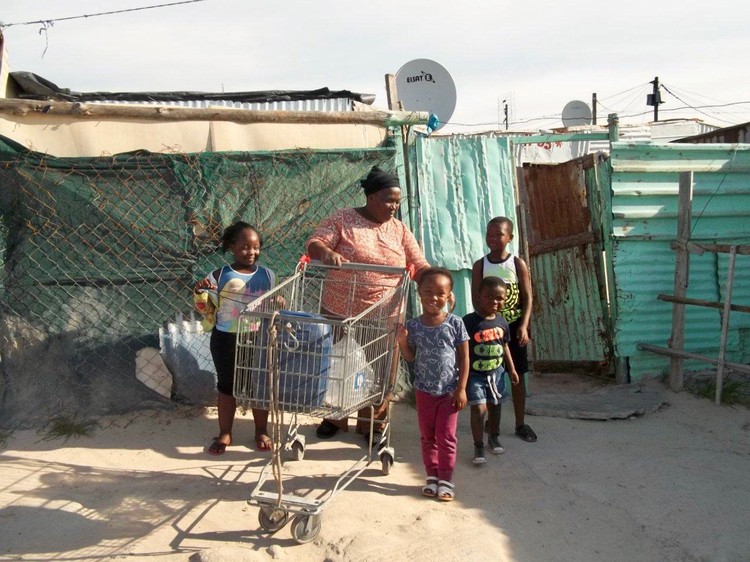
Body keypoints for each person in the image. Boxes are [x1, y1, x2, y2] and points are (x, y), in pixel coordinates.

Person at [306, 165, 430, 440]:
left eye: (398, 201)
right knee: (339, 365)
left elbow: (418, 263)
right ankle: (335, 418)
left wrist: (431, 280)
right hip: (340, 309)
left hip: (384, 312)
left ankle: (372, 424)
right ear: (371, 197)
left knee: (381, 370)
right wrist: (326, 252)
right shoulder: (342, 219)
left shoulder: (399, 229)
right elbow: (315, 243)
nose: (394, 207)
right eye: (389, 200)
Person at [194, 221, 276, 455]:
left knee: (259, 386)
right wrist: (201, 293)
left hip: (258, 339)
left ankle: (261, 430)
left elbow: (275, 303)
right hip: (226, 339)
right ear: (232, 247)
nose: (251, 252)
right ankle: (225, 433)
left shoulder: (268, 275)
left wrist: (278, 302)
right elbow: (205, 308)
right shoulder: (219, 275)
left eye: (256, 247)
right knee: (227, 387)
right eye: (245, 247)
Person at [396, 267, 469, 501]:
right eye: (428, 291)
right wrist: (402, 341)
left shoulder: (455, 324)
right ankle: (432, 477)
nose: (434, 298)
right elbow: (410, 357)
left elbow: (464, 357)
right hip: (424, 391)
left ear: (449, 296)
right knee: (427, 436)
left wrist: (462, 388)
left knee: (446, 437)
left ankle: (446, 480)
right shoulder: (414, 326)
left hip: (449, 392)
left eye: (440, 293)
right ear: (419, 293)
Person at [471, 216, 537, 443]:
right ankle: (493, 421)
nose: (493, 238)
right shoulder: (481, 265)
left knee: (517, 376)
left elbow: (528, 298)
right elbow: (476, 300)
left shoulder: (517, 264)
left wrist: (524, 326)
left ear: (510, 237)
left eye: (498, 234)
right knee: (490, 375)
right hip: (491, 329)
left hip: (515, 328)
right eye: (489, 234)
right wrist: (487, 326)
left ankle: (520, 423)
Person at [463, 276, 520, 465]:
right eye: (489, 297)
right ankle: (478, 445)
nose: (494, 302)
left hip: (497, 374)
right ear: (479, 296)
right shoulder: (469, 322)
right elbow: (462, 351)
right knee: (478, 409)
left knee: (496, 406)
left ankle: (493, 437)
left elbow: (504, 347)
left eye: (499, 298)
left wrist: (511, 369)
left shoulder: (502, 322)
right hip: (475, 376)